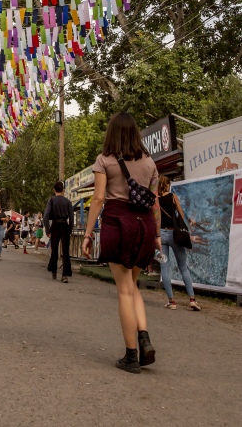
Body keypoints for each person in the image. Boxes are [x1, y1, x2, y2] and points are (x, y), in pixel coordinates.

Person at [82, 113, 160, 374]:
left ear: (111, 133)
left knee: (124, 290)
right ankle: (144, 337)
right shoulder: (150, 162)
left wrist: (88, 233)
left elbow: (98, 198)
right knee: (133, 285)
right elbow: (155, 203)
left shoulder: (105, 160)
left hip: (118, 222)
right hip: (145, 226)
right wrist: (157, 236)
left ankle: (131, 356)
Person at [158, 176, 201, 311]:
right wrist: (188, 224)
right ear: (167, 185)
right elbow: (181, 215)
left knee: (164, 268)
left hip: (160, 235)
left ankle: (171, 301)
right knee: (183, 267)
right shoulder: (172, 196)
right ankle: (192, 299)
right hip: (174, 235)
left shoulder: (155, 199)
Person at [43, 181, 74, 283]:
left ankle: (53, 271)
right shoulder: (68, 202)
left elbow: (46, 216)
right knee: (65, 251)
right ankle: (65, 274)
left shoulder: (51, 200)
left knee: (54, 249)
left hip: (55, 225)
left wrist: (47, 229)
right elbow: (71, 217)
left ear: (54, 190)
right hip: (64, 225)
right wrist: (69, 229)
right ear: (63, 190)